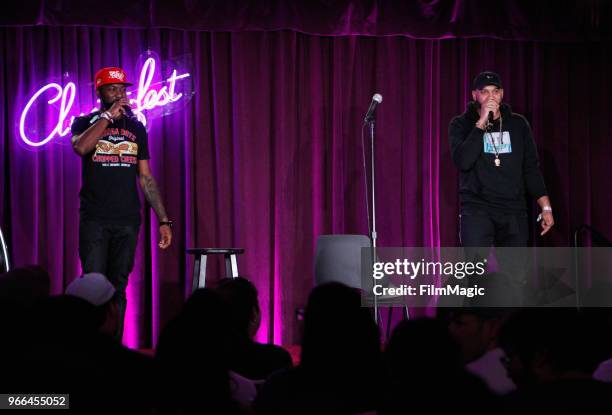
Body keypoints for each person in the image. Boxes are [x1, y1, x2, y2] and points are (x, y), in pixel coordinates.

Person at [71, 66, 173, 340]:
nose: (120, 94)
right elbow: (81, 147)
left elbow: (146, 178)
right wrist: (106, 118)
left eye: (122, 89)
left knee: (118, 287)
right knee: (93, 285)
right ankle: (88, 350)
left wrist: (163, 219)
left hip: (127, 221)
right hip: (95, 219)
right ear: (100, 91)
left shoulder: (136, 128)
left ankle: (112, 349)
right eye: (113, 89)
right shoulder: (83, 123)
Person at [449, 71, 554, 247]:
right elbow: (463, 162)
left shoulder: (518, 124)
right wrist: (481, 123)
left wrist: (546, 207)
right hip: (477, 209)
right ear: (475, 95)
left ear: (502, 94)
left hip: (513, 210)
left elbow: (531, 168)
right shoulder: (461, 124)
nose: (491, 96)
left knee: (515, 273)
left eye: (495, 91)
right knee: (475, 272)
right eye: (485, 91)